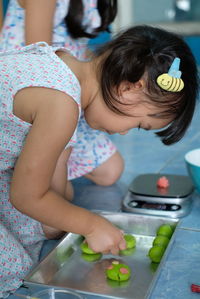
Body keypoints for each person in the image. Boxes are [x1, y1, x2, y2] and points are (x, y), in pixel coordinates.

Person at [0, 25, 199, 296]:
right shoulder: (61, 104)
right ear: (129, 87)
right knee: (14, 270)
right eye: (140, 124)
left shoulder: (62, 62)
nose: (126, 132)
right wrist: (92, 225)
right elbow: (25, 196)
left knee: (35, 227)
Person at [0, 0, 124, 202]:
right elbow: (39, 56)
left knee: (110, 172)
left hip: (72, 82)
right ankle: (32, 171)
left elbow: (79, 49)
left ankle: (43, 167)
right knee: (59, 194)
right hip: (41, 85)